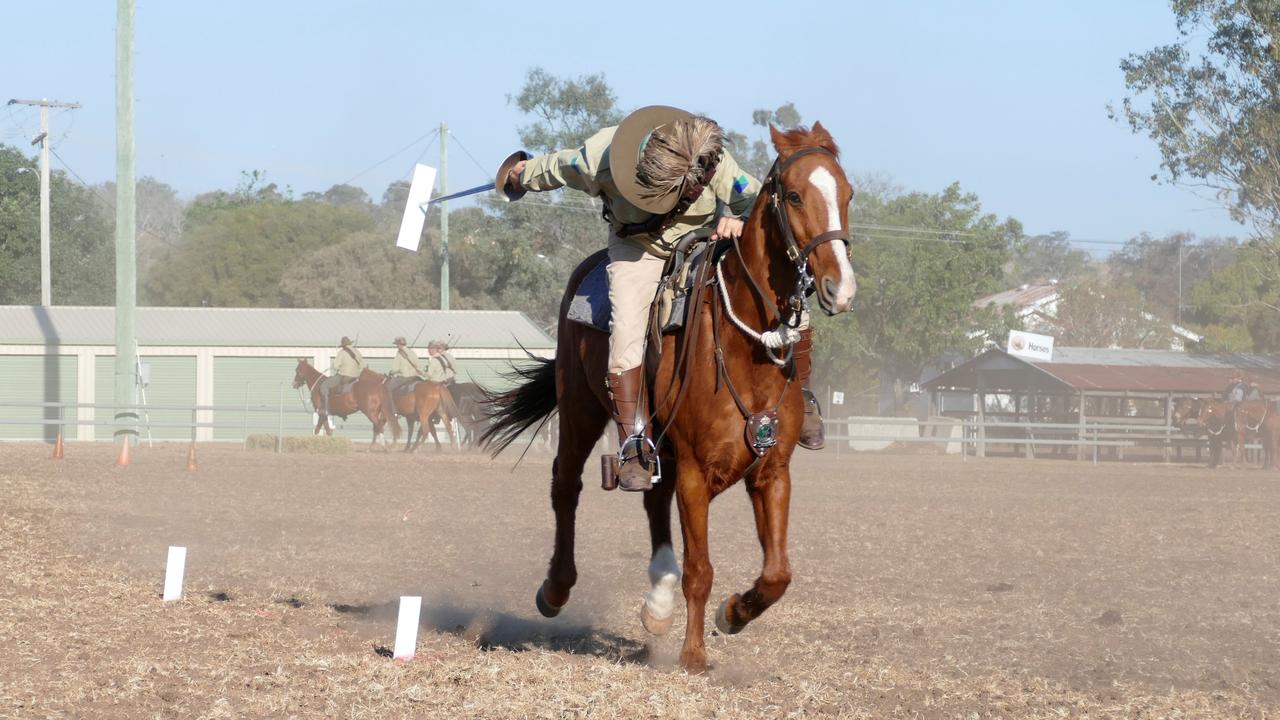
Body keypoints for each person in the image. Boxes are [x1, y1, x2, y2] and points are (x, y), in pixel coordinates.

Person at [497, 105, 826, 491]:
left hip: (702, 244)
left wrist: (737, 219)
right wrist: (520, 175)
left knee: (786, 301)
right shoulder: (597, 158)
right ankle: (635, 441)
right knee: (626, 334)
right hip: (638, 251)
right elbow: (555, 166)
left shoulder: (715, 161)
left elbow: (756, 201)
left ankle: (800, 396)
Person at [318, 336, 365, 414]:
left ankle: (325, 408)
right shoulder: (357, 352)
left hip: (344, 376)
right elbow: (362, 366)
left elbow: (336, 366)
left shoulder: (342, 352)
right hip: (356, 377)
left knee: (324, 385)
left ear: (343, 345)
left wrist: (337, 367)